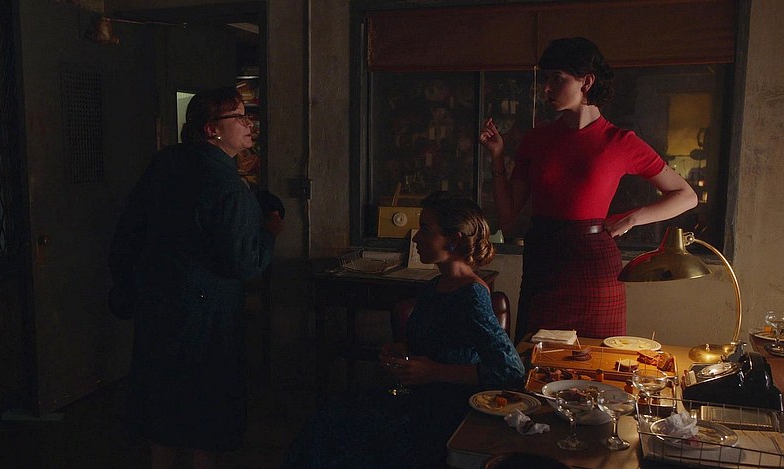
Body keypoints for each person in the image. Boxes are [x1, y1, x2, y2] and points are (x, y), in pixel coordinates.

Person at [107, 86, 283, 469]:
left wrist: (129, 283)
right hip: (207, 317)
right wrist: (270, 230)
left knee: (163, 409)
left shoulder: (165, 164)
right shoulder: (226, 185)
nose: (249, 124)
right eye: (239, 116)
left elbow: (127, 233)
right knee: (205, 413)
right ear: (211, 129)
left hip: (158, 307)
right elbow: (245, 263)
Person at [281, 195, 525, 469]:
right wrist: (402, 351)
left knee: (339, 431)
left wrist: (433, 371)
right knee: (329, 416)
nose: (415, 238)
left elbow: (510, 371)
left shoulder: (472, 294)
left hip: (444, 409)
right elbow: (437, 343)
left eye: (425, 229)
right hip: (418, 398)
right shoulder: (436, 285)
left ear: (453, 239)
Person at [479, 37, 697, 341]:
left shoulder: (620, 141)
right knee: (535, 358)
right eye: (546, 79)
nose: (546, 88)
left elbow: (686, 196)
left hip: (595, 269)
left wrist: (632, 218)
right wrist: (497, 157)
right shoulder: (536, 140)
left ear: (587, 81)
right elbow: (507, 218)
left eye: (557, 78)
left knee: (597, 360)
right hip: (543, 263)